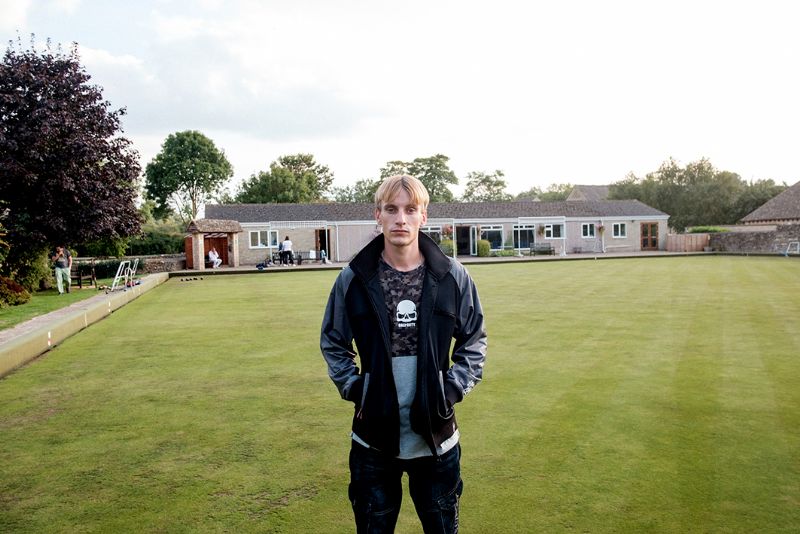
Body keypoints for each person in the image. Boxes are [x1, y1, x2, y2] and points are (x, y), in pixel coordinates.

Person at [320, 175, 487, 533]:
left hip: (437, 440)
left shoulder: (453, 276)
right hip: (372, 442)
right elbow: (333, 341)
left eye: (411, 210)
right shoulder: (353, 279)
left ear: (423, 216)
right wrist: (355, 388)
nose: (401, 219)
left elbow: (474, 339)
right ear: (377, 214)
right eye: (392, 209)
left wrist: (452, 389)